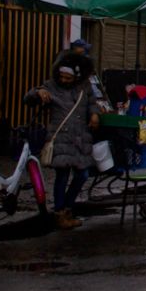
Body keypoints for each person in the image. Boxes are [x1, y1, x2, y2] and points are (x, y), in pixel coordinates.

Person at [24, 64, 98, 230]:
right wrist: (37, 92)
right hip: (61, 139)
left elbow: (92, 103)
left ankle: (67, 207)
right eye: (62, 77)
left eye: (68, 78)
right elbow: (28, 99)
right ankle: (60, 212)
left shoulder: (84, 88)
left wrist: (94, 114)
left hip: (80, 139)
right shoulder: (51, 86)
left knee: (83, 175)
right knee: (62, 176)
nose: (64, 80)